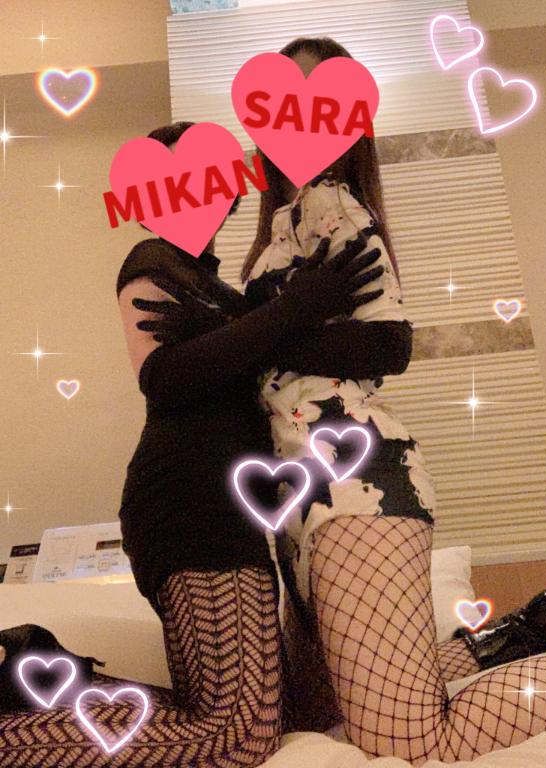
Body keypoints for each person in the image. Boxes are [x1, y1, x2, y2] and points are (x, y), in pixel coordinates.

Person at [0, 121, 384, 767]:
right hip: (190, 504)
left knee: (252, 713)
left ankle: (54, 691)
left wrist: (276, 314)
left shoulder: (221, 294)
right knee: (238, 736)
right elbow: (164, 378)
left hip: (226, 509)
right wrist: (292, 309)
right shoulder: (152, 261)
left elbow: (360, 348)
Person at [240, 35, 546, 764]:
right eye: (282, 99)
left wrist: (261, 337)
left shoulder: (331, 203)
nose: (297, 113)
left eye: (316, 96)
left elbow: (387, 344)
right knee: (336, 714)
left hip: (353, 483)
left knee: (410, 741)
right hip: (305, 493)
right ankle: (531, 632)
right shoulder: (281, 224)